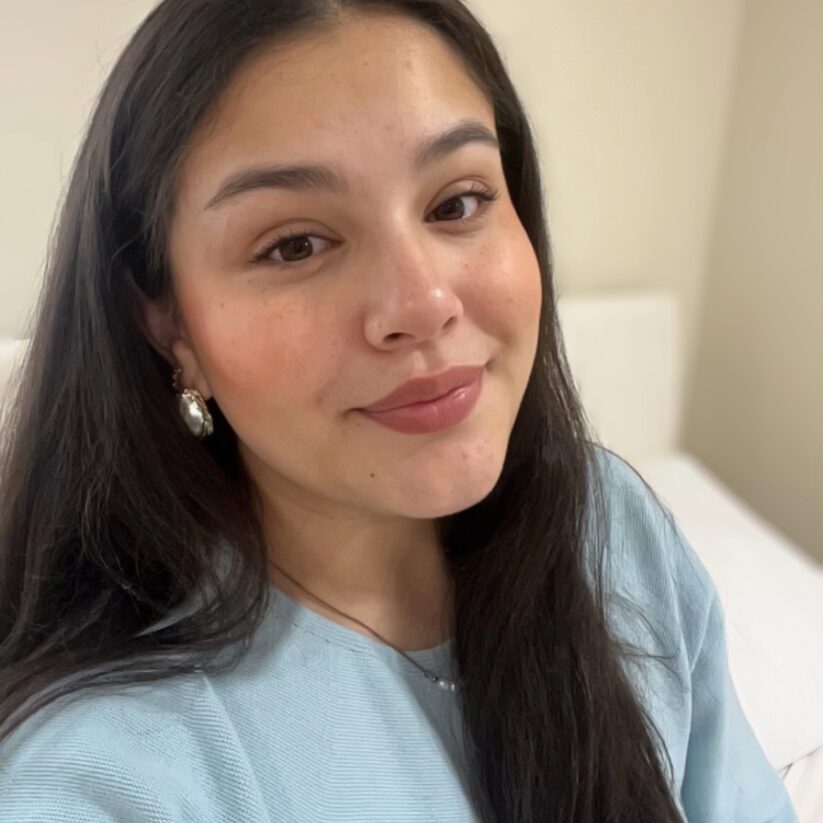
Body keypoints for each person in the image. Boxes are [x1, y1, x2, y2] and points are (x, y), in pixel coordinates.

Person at [0, 1, 798, 821]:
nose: (422, 303)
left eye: (456, 203)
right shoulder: (102, 781)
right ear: (169, 324)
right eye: (294, 245)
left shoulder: (610, 530)